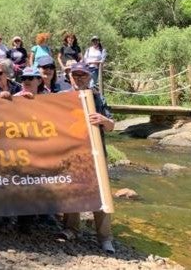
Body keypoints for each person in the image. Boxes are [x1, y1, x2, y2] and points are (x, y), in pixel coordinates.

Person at [59, 62, 115, 254]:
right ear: (70, 77)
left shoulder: (98, 98)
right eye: (76, 75)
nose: (79, 79)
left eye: (83, 75)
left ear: (89, 77)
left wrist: (104, 120)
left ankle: (105, 237)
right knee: (72, 190)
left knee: (101, 194)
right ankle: (71, 229)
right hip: (71, 153)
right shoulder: (61, 97)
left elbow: (112, 125)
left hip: (96, 153)